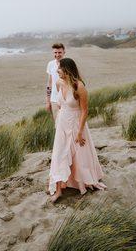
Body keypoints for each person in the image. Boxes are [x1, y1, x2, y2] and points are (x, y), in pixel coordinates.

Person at [48, 57, 107, 202]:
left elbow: (85, 111)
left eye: (60, 68)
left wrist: (80, 132)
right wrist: (59, 121)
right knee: (59, 154)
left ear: (67, 70)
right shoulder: (59, 82)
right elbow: (61, 106)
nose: (57, 71)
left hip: (76, 124)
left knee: (79, 154)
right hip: (62, 123)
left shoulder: (79, 86)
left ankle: (80, 182)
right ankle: (58, 189)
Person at [46, 43, 65, 124]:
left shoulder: (68, 63)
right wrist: (48, 101)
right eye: (55, 52)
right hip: (54, 99)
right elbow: (49, 83)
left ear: (64, 52)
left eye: (59, 52)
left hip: (66, 99)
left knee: (66, 124)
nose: (57, 55)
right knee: (57, 124)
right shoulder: (50, 64)